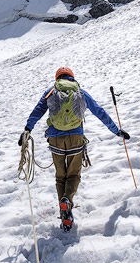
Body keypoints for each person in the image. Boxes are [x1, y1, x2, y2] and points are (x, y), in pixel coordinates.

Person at [19, 66, 130, 232]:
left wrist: (27, 130)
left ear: (58, 78)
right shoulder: (80, 92)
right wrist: (116, 131)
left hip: (55, 140)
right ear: (72, 77)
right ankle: (67, 200)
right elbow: (99, 111)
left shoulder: (51, 92)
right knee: (73, 175)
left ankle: (64, 215)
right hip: (76, 140)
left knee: (60, 177)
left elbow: (37, 112)